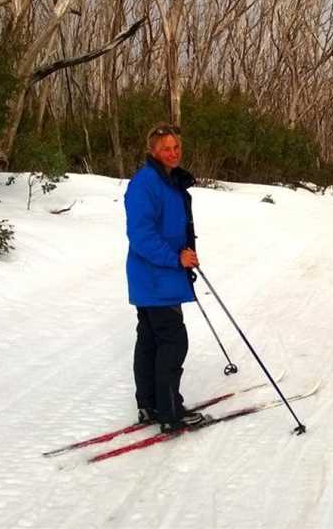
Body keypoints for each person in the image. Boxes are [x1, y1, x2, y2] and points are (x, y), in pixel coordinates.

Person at [124, 123, 206, 433]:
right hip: (155, 276)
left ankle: (149, 405)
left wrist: (185, 253)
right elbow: (141, 235)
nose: (172, 153)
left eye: (176, 148)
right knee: (173, 341)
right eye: (165, 149)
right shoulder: (146, 184)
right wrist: (175, 258)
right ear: (152, 152)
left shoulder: (169, 181)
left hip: (159, 276)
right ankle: (170, 411)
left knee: (150, 340)